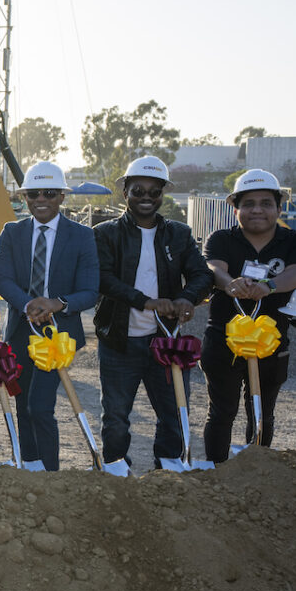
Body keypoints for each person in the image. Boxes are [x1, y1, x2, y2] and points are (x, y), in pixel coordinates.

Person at [93, 156, 211, 471]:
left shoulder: (179, 234)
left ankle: (168, 470)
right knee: (116, 417)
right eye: (138, 191)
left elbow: (202, 275)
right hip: (119, 341)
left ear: (163, 195)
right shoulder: (105, 233)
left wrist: (187, 297)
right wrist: (146, 301)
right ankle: (117, 470)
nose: (146, 198)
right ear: (125, 193)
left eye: (154, 192)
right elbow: (102, 279)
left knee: (173, 411)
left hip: (166, 340)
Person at [201, 169, 296, 462]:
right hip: (223, 341)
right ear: (235, 208)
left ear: (279, 207)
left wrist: (270, 286)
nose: (257, 210)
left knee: (262, 410)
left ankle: (258, 472)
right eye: (248, 203)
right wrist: (230, 284)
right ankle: (216, 472)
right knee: (222, 411)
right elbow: (214, 268)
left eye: (266, 203)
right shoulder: (221, 238)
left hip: (272, 342)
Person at [0, 161, 99, 471]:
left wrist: (57, 304)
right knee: (24, 406)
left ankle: (50, 475)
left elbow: (91, 290)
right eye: (34, 194)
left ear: (62, 197)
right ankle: (30, 468)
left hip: (60, 337)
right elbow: (4, 279)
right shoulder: (12, 232)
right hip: (21, 332)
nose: (41, 199)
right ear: (25, 197)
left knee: (40, 407)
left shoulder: (81, 236)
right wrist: (29, 305)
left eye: (49, 193)